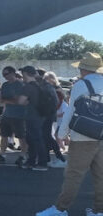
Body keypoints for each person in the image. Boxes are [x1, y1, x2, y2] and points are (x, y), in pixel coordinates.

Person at [36, 53, 103, 216]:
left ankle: (60, 209)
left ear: (83, 68)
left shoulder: (81, 84)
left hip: (83, 136)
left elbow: (71, 111)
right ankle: (99, 210)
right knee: (101, 175)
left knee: (74, 174)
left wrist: (62, 133)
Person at [0, 66, 28, 164]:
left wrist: (7, 100)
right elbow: (1, 99)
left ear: (13, 73)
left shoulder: (20, 85)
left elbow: (20, 101)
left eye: (6, 74)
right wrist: (9, 100)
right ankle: (2, 154)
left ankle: (23, 155)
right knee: (4, 135)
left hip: (19, 115)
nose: (4, 76)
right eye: (3, 74)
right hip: (7, 114)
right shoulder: (5, 85)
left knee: (21, 136)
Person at [20, 65, 50, 171]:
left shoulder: (28, 86)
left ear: (26, 74)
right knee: (34, 139)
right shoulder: (39, 85)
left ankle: (41, 163)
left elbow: (21, 101)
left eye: (22, 73)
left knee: (34, 139)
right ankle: (34, 161)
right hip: (40, 115)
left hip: (32, 116)